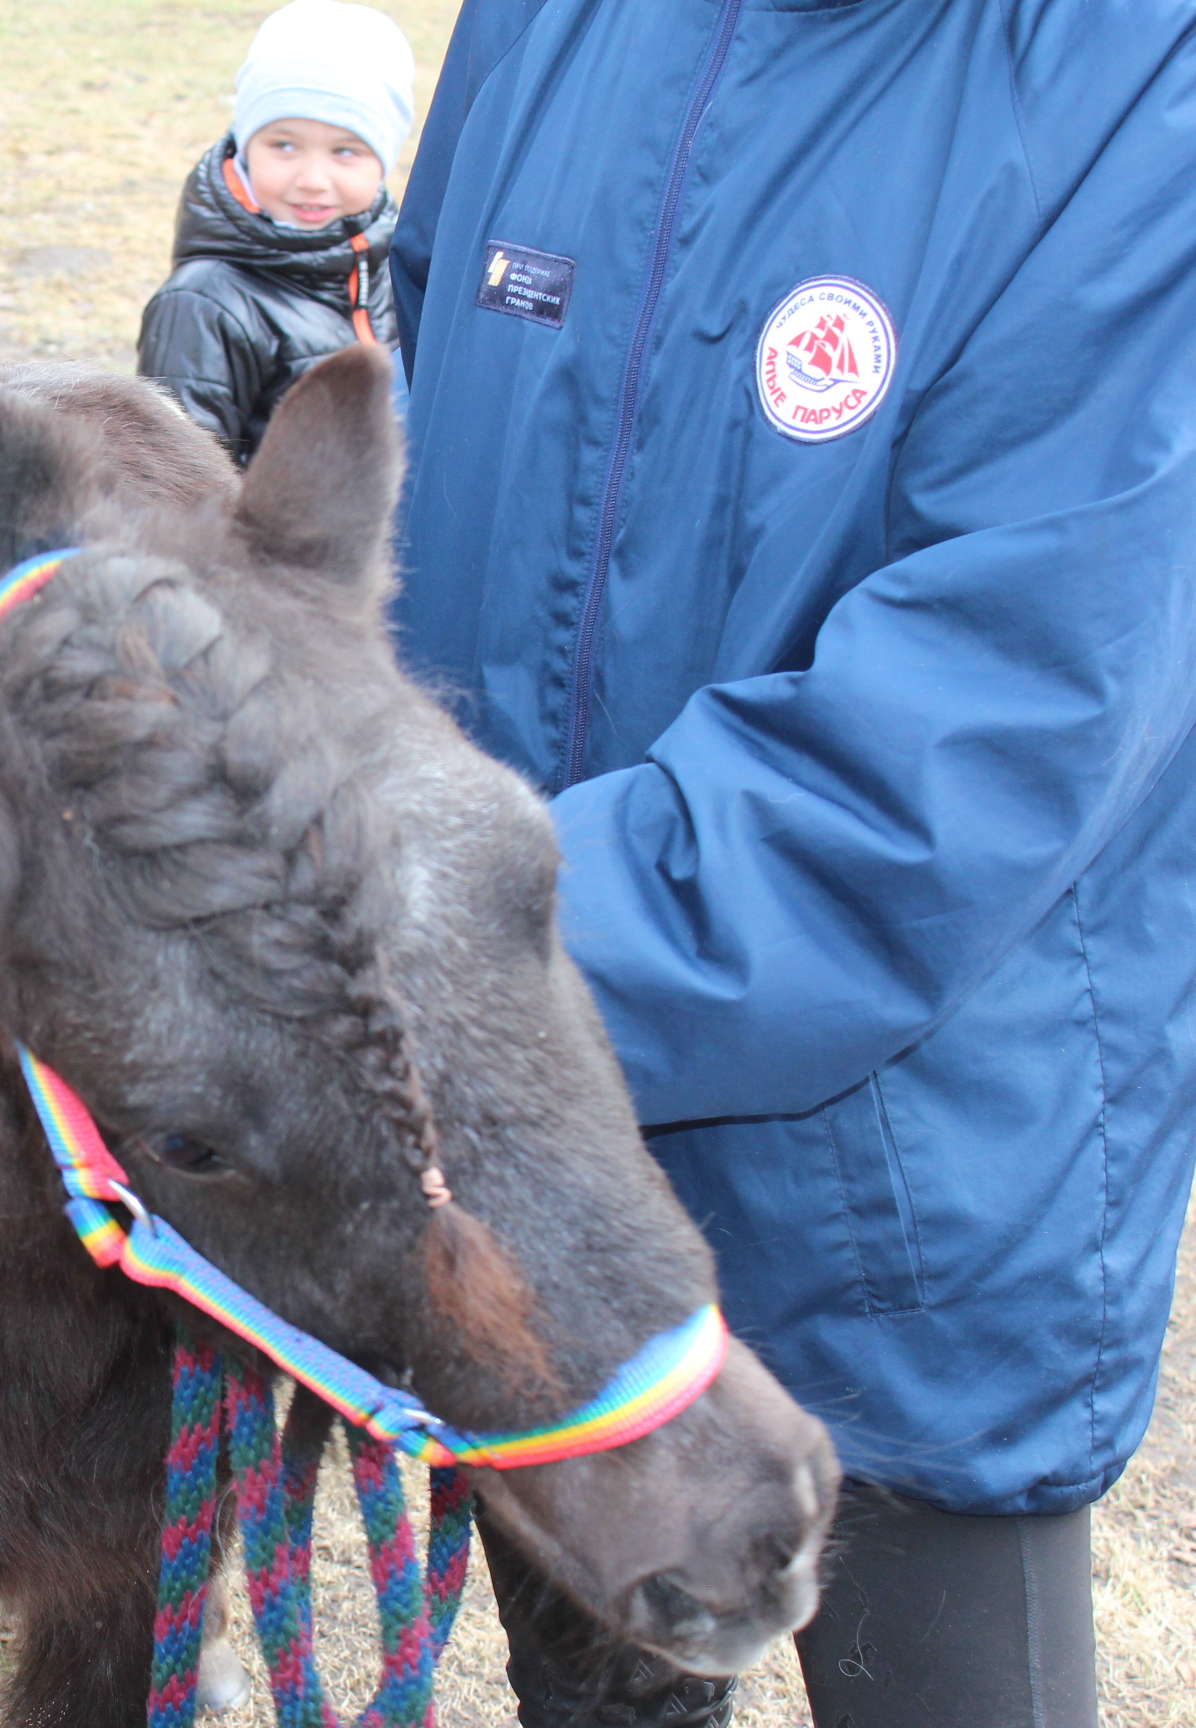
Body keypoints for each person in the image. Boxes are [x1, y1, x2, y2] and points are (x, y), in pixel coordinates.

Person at [387, 3, 1196, 1725]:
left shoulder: (1134, 75)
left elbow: (984, 725)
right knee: (590, 1691)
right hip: (547, 1185)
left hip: (907, 1206)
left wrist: (416, 946)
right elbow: (414, 438)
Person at [135, 0, 414, 464]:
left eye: (346, 151)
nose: (313, 179)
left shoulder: (396, 261)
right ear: (245, 147)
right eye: (284, 145)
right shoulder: (203, 304)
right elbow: (178, 482)